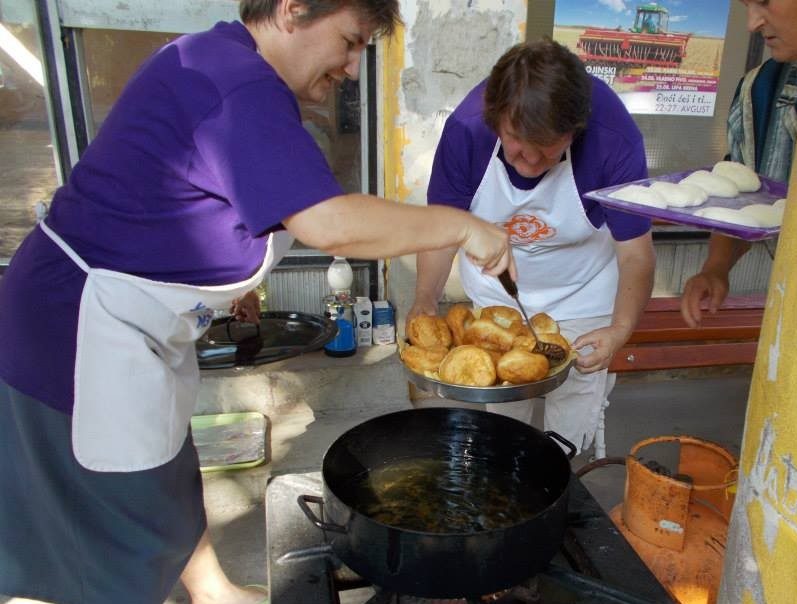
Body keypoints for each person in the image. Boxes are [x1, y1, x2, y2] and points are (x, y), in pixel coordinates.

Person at [0, 1, 515, 603]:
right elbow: (331, 223)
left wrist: (234, 285)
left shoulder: (222, 61)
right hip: (78, 334)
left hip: (131, 324)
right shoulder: (236, 83)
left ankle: (213, 590)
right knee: (115, 533)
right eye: (349, 42)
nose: (352, 68)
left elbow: (190, 199)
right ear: (294, 8)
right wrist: (460, 227)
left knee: (166, 473)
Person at [408, 39, 656, 457]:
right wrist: (424, 299)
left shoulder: (613, 137)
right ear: (496, 120)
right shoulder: (468, 130)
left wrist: (619, 330)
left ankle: (562, 486)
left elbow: (636, 253)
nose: (529, 164)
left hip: (584, 297)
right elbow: (441, 231)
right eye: (518, 144)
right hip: (497, 301)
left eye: (547, 152)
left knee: (569, 429)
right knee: (497, 422)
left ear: (575, 131)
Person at [680, 0, 797, 328]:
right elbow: (745, 190)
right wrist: (715, 268)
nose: (752, 23)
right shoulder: (757, 89)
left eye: (764, 1)